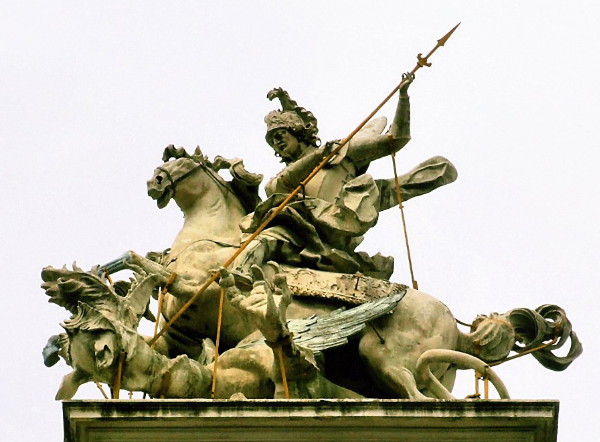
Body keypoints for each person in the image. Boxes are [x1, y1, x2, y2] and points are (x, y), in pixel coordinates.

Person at [233, 74, 457, 281]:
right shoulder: (284, 177)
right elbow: (278, 187)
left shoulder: (341, 153)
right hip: (298, 231)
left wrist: (403, 96)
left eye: (281, 134)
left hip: (335, 226)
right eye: (272, 140)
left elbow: (396, 139)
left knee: (380, 187)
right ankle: (239, 275)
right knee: (259, 239)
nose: (277, 142)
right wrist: (318, 153)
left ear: (298, 132)